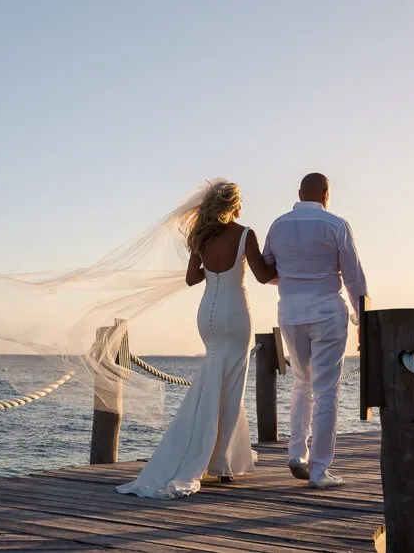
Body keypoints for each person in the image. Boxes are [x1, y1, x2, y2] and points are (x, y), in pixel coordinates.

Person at [116, 180, 277, 499]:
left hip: (208, 313)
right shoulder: (245, 234)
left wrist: (212, 271)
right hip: (235, 310)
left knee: (214, 379)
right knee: (231, 387)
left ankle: (223, 456)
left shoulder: (201, 237)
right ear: (234, 205)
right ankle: (219, 464)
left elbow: (192, 279)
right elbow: (261, 274)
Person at [262, 173, 368, 489]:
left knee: (301, 384)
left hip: (290, 313)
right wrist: (363, 319)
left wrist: (294, 277)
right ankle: (320, 470)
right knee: (327, 390)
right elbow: (353, 277)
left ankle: (297, 454)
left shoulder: (279, 225)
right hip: (327, 312)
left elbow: (268, 271)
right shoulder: (337, 225)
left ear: (299, 193)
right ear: (325, 194)